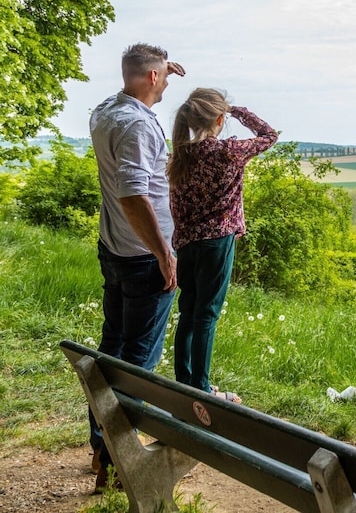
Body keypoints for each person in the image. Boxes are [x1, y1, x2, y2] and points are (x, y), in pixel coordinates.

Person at [89, 43, 184, 491]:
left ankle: (100, 448)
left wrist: (163, 68)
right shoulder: (138, 127)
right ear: (150, 78)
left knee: (111, 352)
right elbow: (132, 195)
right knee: (136, 362)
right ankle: (117, 462)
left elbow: (137, 84)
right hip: (143, 257)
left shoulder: (107, 111)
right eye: (163, 75)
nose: (167, 80)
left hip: (114, 249)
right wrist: (165, 253)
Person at [168, 88, 278, 402]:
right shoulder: (228, 151)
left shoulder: (180, 155)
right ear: (220, 118)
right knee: (207, 314)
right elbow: (269, 135)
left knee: (188, 312)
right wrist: (238, 111)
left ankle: (184, 381)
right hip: (217, 241)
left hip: (186, 243)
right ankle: (200, 389)